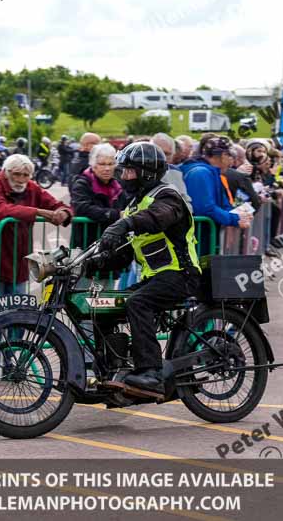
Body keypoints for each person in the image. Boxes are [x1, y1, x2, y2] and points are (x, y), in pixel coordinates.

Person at [87, 142, 201, 394]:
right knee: (105, 305)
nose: (124, 176)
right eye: (124, 171)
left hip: (181, 275)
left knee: (138, 303)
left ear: (146, 173)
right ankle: (113, 368)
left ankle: (151, 372)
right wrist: (92, 263)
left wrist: (123, 224)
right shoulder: (135, 205)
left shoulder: (167, 196)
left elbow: (158, 217)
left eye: (130, 171)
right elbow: (126, 253)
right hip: (156, 277)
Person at [0, 154, 73, 295]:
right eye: (16, 174)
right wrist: (37, 212)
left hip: (20, 261)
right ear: (7, 172)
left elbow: (57, 205)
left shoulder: (32, 187)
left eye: (25, 175)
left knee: (18, 309)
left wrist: (64, 213)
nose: (21, 180)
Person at [181, 137, 252, 253]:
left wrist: (240, 214)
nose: (232, 162)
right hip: (196, 242)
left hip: (203, 239)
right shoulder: (201, 173)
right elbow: (205, 208)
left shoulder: (211, 172)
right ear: (223, 155)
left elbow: (223, 204)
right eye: (231, 157)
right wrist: (234, 219)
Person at [70, 143, 125, 250]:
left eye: (111, 164)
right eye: (102, 164)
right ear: (93, 165)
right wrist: (115, 214)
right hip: (86, 243)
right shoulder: (82, 183)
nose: (107, 168)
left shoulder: (117, 185)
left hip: (111, 245)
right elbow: (82, 208)